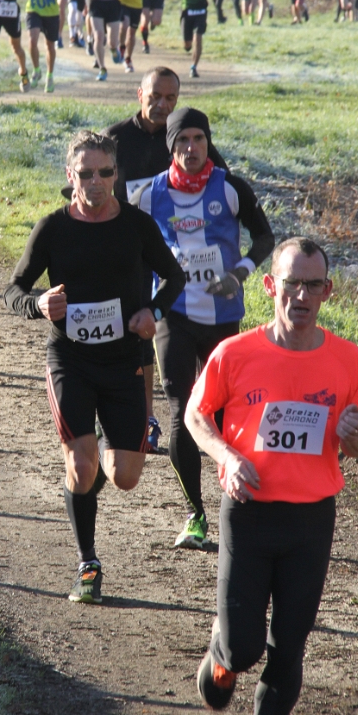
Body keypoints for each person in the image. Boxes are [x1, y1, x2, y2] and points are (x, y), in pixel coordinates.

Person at [185, 237, 358, 715]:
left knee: (289, 646)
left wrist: (357, 435)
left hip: (311, 521)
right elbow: (196, 416)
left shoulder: (349, 361)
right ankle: (222, 654)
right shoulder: (235, 353)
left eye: (313, 285)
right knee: (244, 647)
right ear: (271, 286)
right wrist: (227, 457)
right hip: (248, 513)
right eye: (292, 283)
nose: (302, 295)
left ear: (328, 291)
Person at [4, 130, 186, 603]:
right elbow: (13, 290)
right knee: (82, 467)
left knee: (124, 476)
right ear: (71, 176)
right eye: (86, 174)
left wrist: (154, 312)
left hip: (125, 362)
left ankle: (91, 460)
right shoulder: (52, 228)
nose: (96, 182)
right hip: (71, 360)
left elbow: (174, 276)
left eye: (105, 172)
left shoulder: (136, 226)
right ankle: (88, 563)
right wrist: (38, 303)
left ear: (116, 174)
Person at [135, 107, 274, 549]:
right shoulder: (149, 194)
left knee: (228, 411)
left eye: (198, 138)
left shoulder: (231, 188)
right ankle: (195, 514)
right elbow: (126, 239)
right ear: (170, 146)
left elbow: (265, 237)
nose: (191, 148)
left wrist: (240, 273)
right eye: (182, 140)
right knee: (182, 409)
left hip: (223, 316)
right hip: (174, 316)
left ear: (207, 142)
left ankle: (239, 499)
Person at [103, 70, 228, 432]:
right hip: (133, 252)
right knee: (137, 335)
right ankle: (144, 419)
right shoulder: (115, 138)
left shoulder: (185, 138)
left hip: (183, 258)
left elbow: (224, 183)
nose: (162, 105)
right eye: (155, 96)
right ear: (139, 94)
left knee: (199, 338)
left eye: (170, 98)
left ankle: (203, 419)